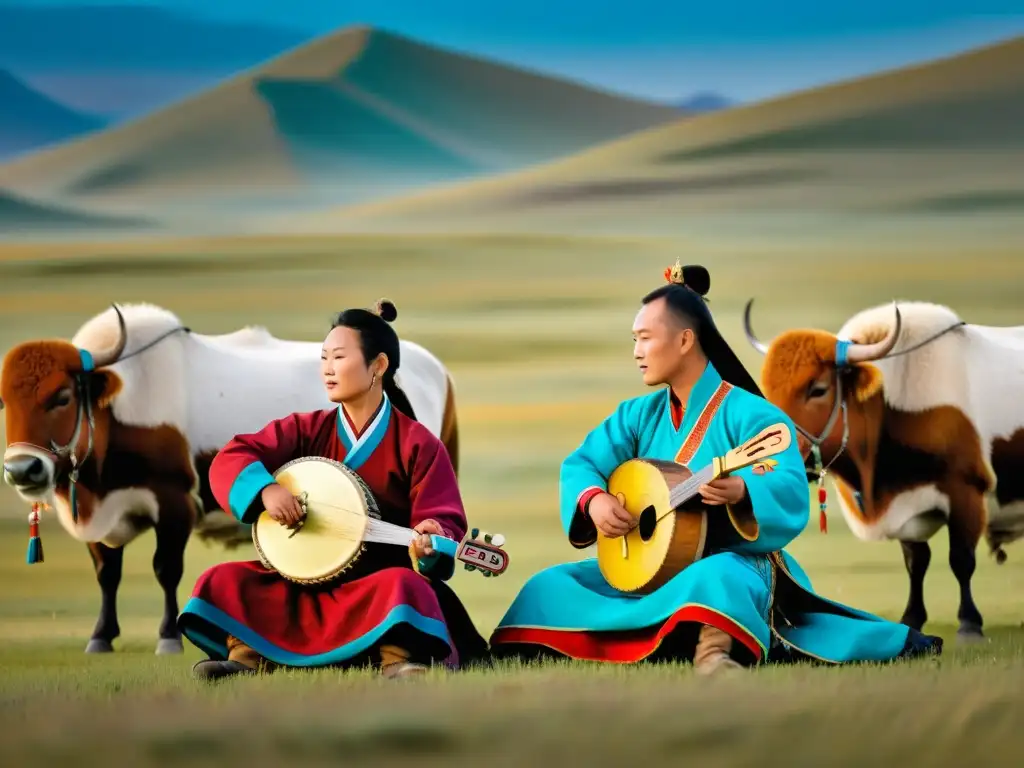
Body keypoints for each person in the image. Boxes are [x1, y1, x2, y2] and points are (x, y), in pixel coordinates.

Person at [489, 262, 944, 674]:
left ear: (685, 340)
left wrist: (744, 491)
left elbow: (786, 482)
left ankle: (714, 653)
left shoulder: (753, 417)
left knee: (717, 576)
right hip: (647, 571)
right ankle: (594, 642)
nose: (636, 352)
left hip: (734, 563)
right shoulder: (636, 415)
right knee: (550, 583)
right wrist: (595, 500)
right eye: (635, 340)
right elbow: (583, 463)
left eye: (645, 338)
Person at [177, 299, 488, 681]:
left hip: (375, 586)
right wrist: (265, 491)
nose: (326, 369)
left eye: (338, 357)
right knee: (222, 578)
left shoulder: (418, 444)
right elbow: (233, 456)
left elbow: (442, 518)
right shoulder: (307, 428)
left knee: (406, 586)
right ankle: (247, 658)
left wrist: (431, 540)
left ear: (378, 366)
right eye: (323, 358)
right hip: (301, 579)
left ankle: (396, 659)